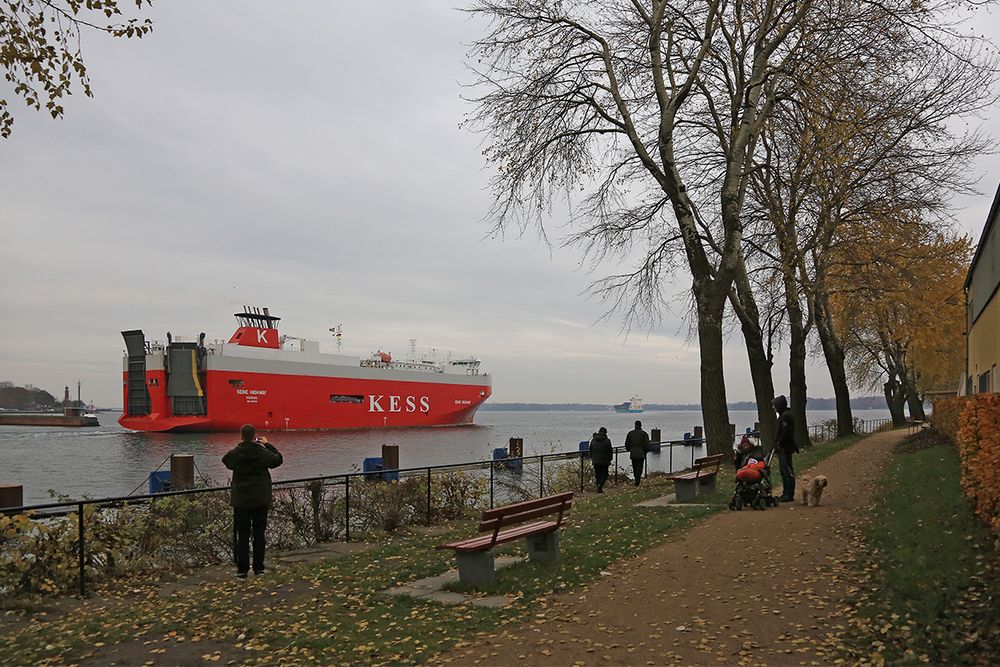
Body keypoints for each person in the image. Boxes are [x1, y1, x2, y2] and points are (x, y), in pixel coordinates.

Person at [223, 424, 283, 578]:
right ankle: (259, 568)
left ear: (241, 436)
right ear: (254, 435)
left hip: (241, 501)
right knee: (259, 535)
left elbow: (226, 461)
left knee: (242, 536)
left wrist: (240, 447)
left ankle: (242, 570)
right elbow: (278, 459)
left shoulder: (236, 452)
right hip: (259, 500)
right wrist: (267, 444)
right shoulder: (261, 452)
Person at [772, 395, 798, 502]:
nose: (774, 408)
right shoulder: (786, 414)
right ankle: (786, 492)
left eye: (774, 406)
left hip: (785, 447)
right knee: (785, 470)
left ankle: (789, 493)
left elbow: (785, 433)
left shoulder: (785, 417)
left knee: (786, 470)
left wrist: (779, 443)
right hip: (785, 447)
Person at [624, 420, 650, 486]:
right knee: (639, 467)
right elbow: (647, 445)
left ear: (635, 425)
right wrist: (645, 452)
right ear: (641, 425)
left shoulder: (630, 433)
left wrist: (629, 450)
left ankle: (636, 479)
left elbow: (626, 443)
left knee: (634, 467)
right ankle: (637, 480)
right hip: (641, 453)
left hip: (633, 453)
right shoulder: (644, 434)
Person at [590, 427, 613, 493]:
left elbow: (590, 449)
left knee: (597, 474)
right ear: (605, 433)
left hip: (595, 460)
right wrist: (610, 459)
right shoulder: (607, 441)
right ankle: (600, 485)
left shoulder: (593, 440)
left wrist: (592, 457)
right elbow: (610, 451)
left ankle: (598, 485)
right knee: (604, 474)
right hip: (604, 461)